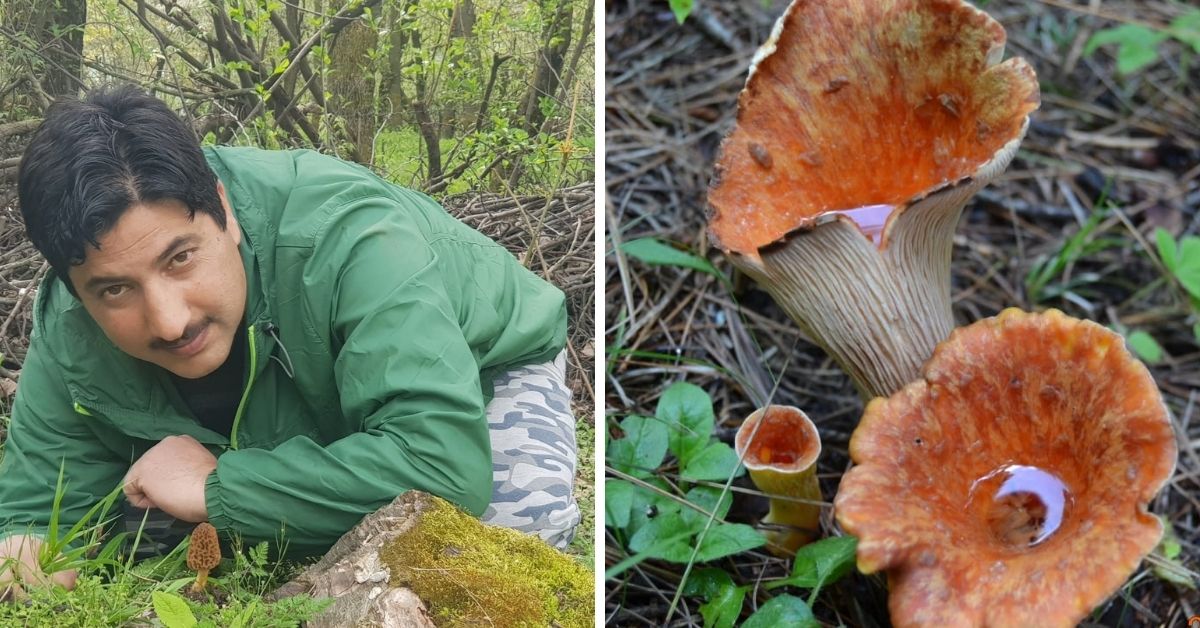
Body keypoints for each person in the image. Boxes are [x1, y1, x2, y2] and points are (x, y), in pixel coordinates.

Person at [0, 84, 580, 593]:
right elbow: (32, 518)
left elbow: (443, 465)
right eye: (116, 291)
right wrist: (26, 579)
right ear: (73, 288)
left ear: (223, 210)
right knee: (152, 548)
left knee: (508, 534)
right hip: (298, 406)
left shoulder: (349, 236)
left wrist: (216, 489)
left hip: (482, 364)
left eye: (180, 258)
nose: (170, 321)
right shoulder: (69, 321)